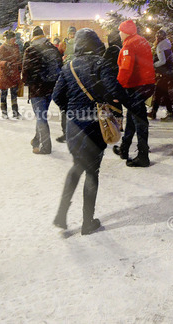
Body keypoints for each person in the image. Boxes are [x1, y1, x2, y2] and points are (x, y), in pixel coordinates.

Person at [52, 28, 126, 235]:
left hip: (74, 125)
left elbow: (57, 96)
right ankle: (87, 222)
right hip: (95, 124)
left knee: (77, 166)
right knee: (92, 172)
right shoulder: (102, 64)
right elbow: (116, 92)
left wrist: (72, 109)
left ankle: (61, 214)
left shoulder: (69, 66)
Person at [115, 19, 156, 167]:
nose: (119, 34)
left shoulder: (129, 45)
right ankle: (124, 148)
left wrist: (117, 86)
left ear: (125, 32)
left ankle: (143, 156)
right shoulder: (141, 40)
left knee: (139, 120)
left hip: (137, 86)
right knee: (133, 116)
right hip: (147, 84)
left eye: (120, 31)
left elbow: (126, 68)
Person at [22, 26, 63, 154]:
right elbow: (60, 66)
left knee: (41, 117)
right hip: (50, 87)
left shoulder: (31, 50)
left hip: (37, 88)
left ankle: (45, 147)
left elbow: (26, 71)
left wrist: (27, 81)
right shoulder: (52, 48)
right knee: (42, 114)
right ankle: (36, 139)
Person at [149, 28, 173, 121]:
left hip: (163, 73)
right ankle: (154, 112)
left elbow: (162, 61)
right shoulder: (167, 44)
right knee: (160, 92)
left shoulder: (160, 46)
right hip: (167, 72)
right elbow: (172, 58)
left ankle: (169, 114)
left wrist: (153, 65)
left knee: (163, 94)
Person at [0, 30, 23, 119]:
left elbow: (19, 58)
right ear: (8, 39)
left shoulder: (16, 47)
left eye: (14, 39)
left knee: (14, 93)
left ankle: (15, 111)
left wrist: (20, 66)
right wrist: (4, 63)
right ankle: (4, 112)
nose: (14, 40)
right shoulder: (2, 48)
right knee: (4, 93)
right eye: (12, 39)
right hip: (5, 74)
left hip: (14, 73)